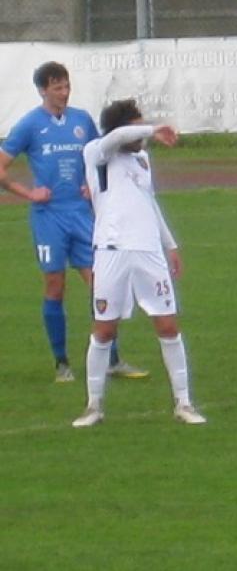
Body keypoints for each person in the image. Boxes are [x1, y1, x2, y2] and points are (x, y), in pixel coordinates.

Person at [0, 62, 146, 381]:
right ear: (42, 90)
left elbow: (99, 156)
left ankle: (113, 359)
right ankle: (62, 363)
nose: (64, 93)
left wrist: (90, 183)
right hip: (49, 218)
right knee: (55, 286)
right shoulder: (29, 125)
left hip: (81, 215)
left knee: (102, 285)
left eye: (66, 86)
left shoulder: (81, 120)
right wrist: (28, 193)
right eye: (57, 88)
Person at [72, 100, 205, 427]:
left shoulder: (142, 160)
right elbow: (118, 138)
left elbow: (149, 202)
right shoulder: (97, 152)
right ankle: (94, 406)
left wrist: (170, 244)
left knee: (168, 326)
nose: (142, 134)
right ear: (122, 128)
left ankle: (184, 403)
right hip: (111, 251)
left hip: (148, 252)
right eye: (137, 126)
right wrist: (153, 129)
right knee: (104, 330)